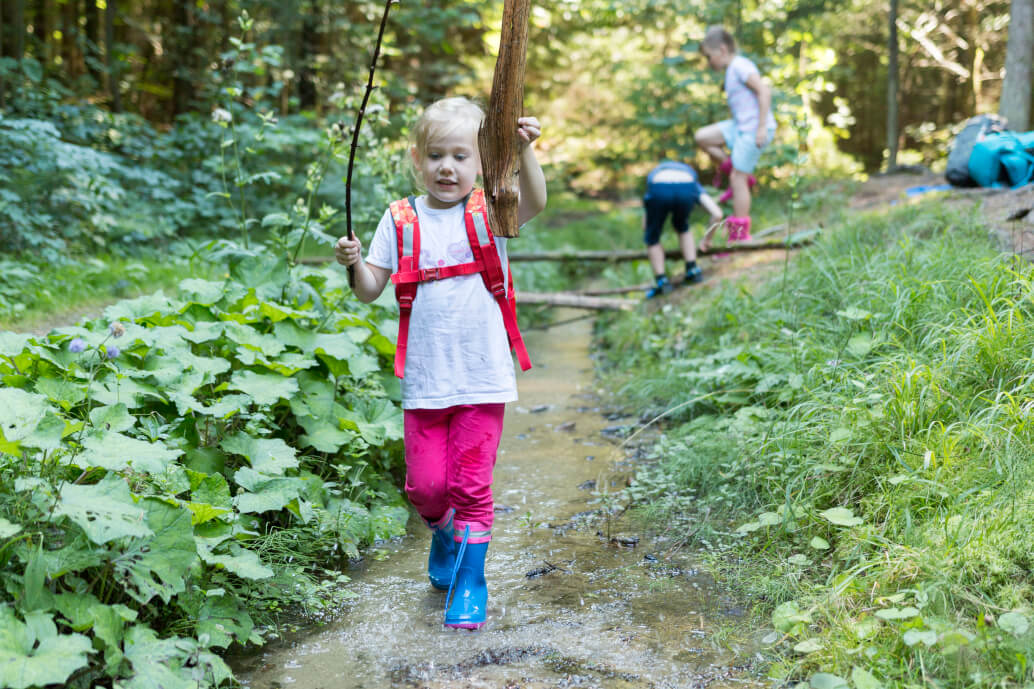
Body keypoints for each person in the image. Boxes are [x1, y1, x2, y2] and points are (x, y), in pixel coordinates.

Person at [334, 97, 546, 630]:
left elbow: (536, 202)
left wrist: (525, 151)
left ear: (481, 162)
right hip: (426, 381)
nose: (447, 167)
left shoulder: (491, 210)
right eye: (435, 156)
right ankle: (445, 534)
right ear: (417, 160)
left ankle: (470, 582)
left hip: (482, 378)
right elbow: (369, 289)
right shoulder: (399, 219)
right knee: (426, 489)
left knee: (471, 487)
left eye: (460, 156)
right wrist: (354, 263)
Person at [694, 26, 776, 243]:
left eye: (709, 56)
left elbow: (764, 91)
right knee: (702, 137)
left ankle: (740, 235)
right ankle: (740, 173)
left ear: (722, 50)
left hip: (754, 128)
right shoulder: (731, 70)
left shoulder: (740, 66)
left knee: (737, 180)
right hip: (740, 127)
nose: (708, 62)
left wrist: (761, 127)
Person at [641, 161, 723, 298]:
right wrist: (706, 240)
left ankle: (662, 282)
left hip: (658, 187)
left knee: (652, 236)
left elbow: (645, 224)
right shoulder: (692, 182)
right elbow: (717, 214)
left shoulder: (655, 175)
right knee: (682, 226)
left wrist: (649, 232)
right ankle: (693, 270)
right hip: (687, 186)